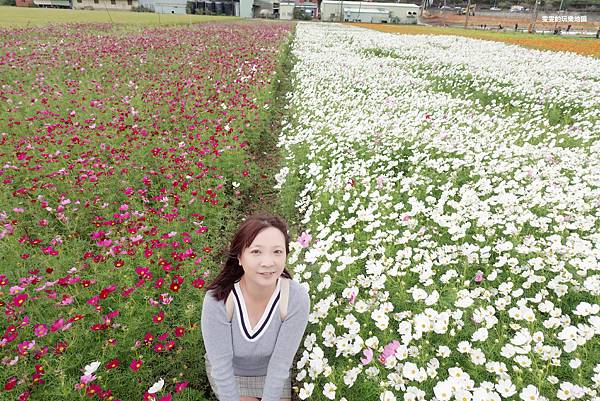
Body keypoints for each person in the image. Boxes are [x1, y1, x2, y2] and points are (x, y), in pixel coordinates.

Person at [201, 214, 311, 401]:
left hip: (272, 373)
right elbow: (221, 366)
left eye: (277, 252)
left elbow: (280, 364)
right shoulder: (218, 300)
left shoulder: (295, 298)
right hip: (232, 374)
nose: (268, 262)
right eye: (256, 252)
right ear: (240, 257)